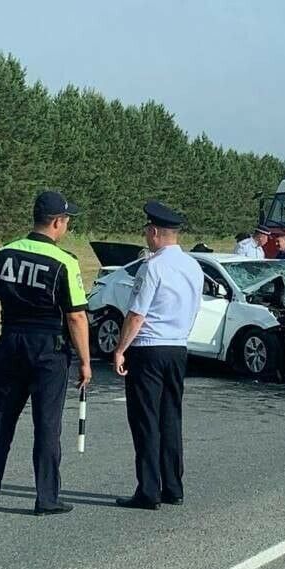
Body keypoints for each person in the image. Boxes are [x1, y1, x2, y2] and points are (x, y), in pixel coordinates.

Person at [0, 191, 91, 516]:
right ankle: (46, 498)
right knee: (47, 424)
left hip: (11, 342)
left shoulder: (4, 253)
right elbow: (76, 315)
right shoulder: (64, 261)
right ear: (56, 222)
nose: (66, 226)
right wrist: (85, 360)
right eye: (67, 221)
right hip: (47, 348)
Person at [113, 201, 203, 510]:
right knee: (170, 418)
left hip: (148, 347)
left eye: (146, 232)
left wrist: (121, 348)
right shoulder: (194, 266)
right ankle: (173, 486)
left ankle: (148, 489)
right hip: (177, 347)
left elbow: (136, 314)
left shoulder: (152, 266)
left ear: (154, 232)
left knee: (146, 419)